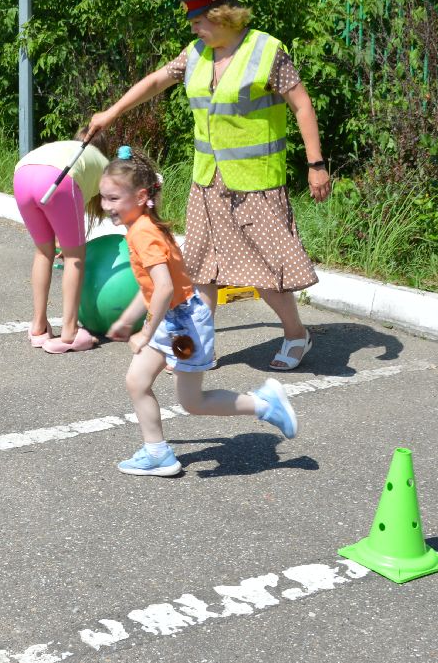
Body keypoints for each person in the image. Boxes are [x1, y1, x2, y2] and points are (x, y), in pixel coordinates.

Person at [84, 0, 332, 371]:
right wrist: (111, 113)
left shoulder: (266, 51)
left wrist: (315, 164)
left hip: (256, 182)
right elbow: (154, 82)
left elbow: (302, 106)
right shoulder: (195, 53)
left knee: (267, 274)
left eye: (199, 21)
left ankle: (296, 334)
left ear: (223, 16)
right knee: (202, 269)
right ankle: (201, 345)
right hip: (208, 180)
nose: (194, 28)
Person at [99, 148, 298, 477]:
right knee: (137, 381)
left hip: (183, 329)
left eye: (114, 198)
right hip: (170, 321)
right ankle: (157, 453)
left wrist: (145, 332)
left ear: (141, 196)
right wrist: (126, 319)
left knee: (192, 402)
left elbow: (164, 289)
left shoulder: (143, 234)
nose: (107, 206)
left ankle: (265, 404)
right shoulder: (142, 225)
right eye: (104, 198)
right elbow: (152, 288)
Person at [12, 137, 110, 351]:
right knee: (76, 256)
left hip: (22, 175)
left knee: (43, 252)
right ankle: (70, 331)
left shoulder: (69, 148)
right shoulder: (105, 165)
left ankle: (38, 326)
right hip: (58, 178)